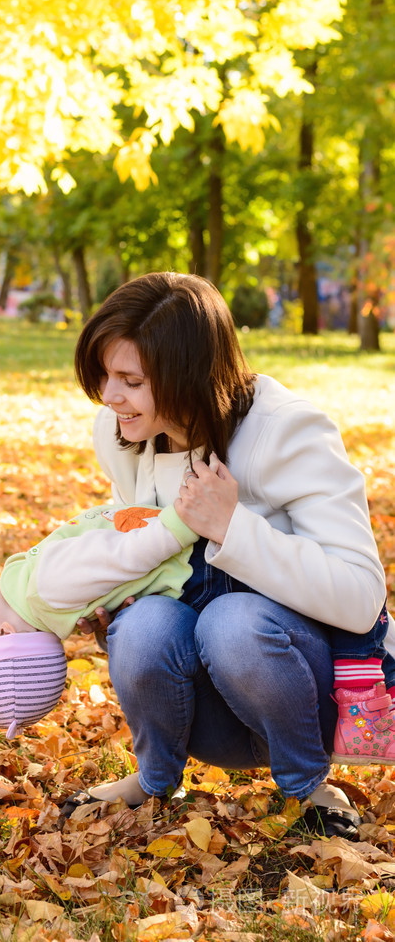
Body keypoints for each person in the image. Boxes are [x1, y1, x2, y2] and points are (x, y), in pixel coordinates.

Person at [64, 271, 389, 838]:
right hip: (203, 713)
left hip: (304, 697)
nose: (109, 395)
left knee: (231, 619)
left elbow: (362, 597)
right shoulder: (122, 432)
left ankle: (312, 785)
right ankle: (154, 777)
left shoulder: (287, 430)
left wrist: (232, 529)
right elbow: (135, 538)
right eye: (103, 375)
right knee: (141, 625)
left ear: (185, 377)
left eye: (129, 380)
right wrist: (109, 601)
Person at [0, 499, 199, 739]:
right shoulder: (47, 588)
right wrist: (184, 519)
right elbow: (127, 552)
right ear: (4, 634)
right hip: (197, 559)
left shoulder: (50, 604)